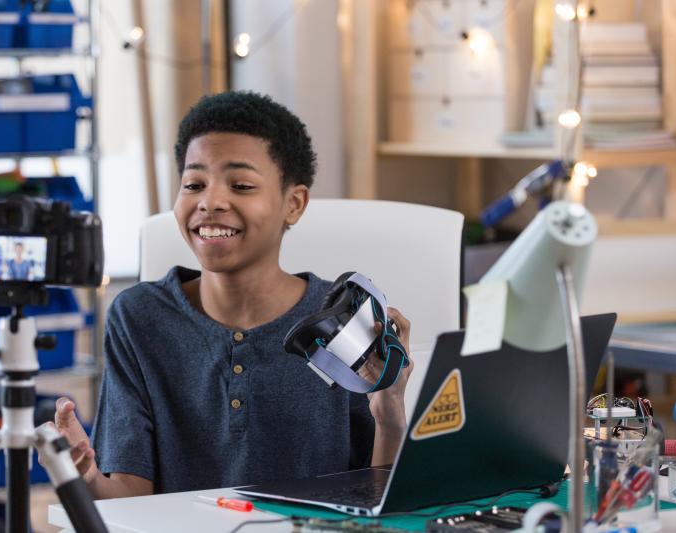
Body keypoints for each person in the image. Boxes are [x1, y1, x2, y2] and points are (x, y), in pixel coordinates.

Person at [50, 91, 414, 499]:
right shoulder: (139, 317)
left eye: (240, 185)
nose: (210, 202)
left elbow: (379, 503)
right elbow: (130, 497)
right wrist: (86, 477)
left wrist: (390, 418)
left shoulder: (341, 320)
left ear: (293, 204)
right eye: (194, 184)